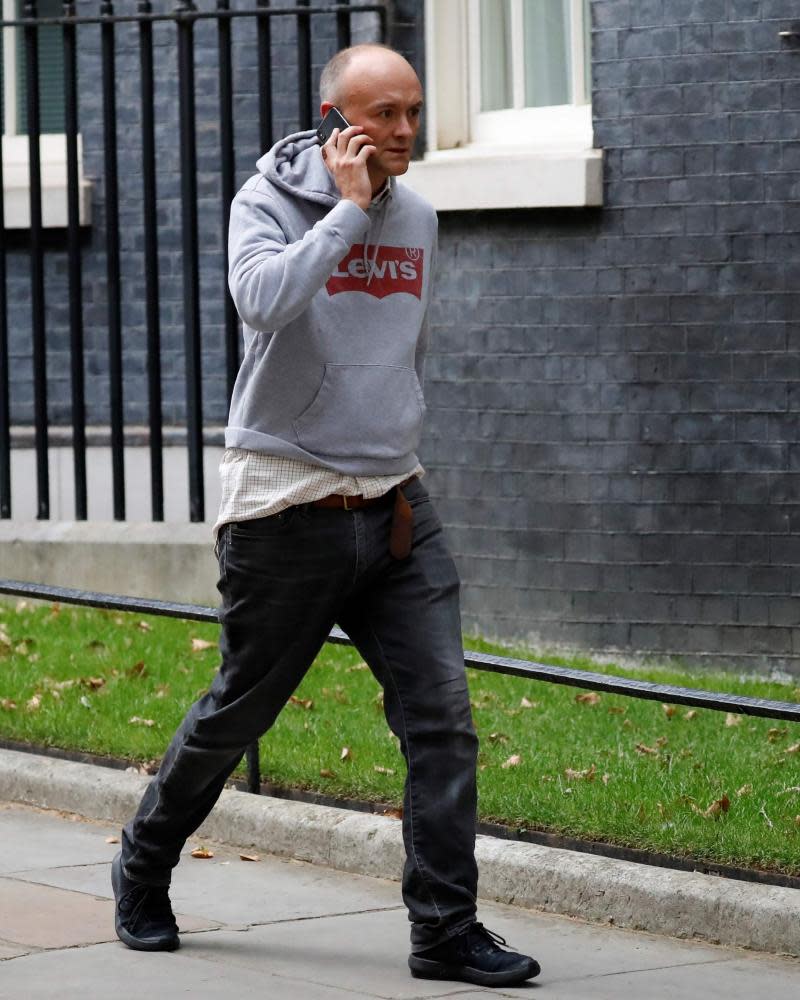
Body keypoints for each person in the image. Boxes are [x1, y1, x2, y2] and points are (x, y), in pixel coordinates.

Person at [111, 42, 540, 989]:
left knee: (443, 722)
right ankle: (142, 863)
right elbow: (262, 302)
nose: (401, 132)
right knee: (238, 712)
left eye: (413, 112)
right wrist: (346, 213)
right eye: (382, 114)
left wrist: (391, 429)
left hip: (393, 505)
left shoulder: (421, 217)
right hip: (287, 504)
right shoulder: (265, 201)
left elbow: (399, 345)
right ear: (334, 119)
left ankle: (444, 928)